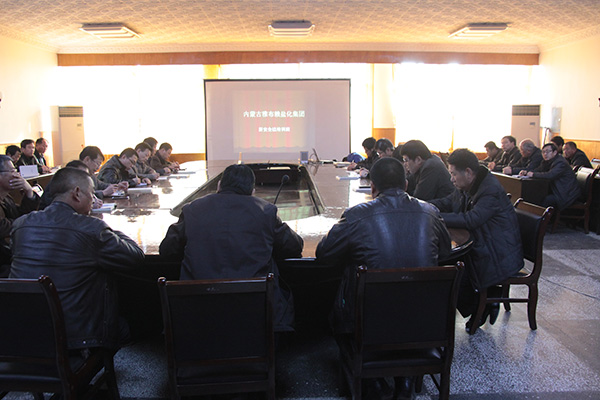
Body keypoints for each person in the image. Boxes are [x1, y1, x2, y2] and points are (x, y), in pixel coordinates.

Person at [316, 157, 451, 400]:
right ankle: (405, 380)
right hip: (425, 322)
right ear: (406, 185)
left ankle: (373, 383)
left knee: (338, 315)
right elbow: (445, 254)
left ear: (373, 187)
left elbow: (324, 254)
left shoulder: (357, 215)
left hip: (369, 322)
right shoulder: (431, 212)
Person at [10, 167, 145, 350]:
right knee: (137, 320)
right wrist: (110, 229)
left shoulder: (20, 225)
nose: (93, 200)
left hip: (20, 329)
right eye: (91, 194)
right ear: (77, 193)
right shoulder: (91, 229)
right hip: (77, 337)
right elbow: (135, 257)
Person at [159, 164, 303, 332]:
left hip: (196, 315)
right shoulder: (265, 211)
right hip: (255, 316)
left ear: (219, 185)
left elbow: (167, 250)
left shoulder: (192, 209)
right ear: (252, 191)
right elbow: (294, 246)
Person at [430, 149, 523, 332]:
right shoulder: (469, 184)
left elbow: (472, 220)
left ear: (468, 172)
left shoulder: (490, 190)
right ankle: (479, 303)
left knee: (452, 267)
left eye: (453, 174)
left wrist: (436, 217)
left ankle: (479, 305)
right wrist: (425, 206)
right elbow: (448, 202)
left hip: (498, 253)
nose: (451, 179)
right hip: (485, 241)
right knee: (446, 261)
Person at [0, 155, 40, 277]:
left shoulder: (7, 198)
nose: (17, 175)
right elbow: (4, 227)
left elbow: (21, 215)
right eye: (12, 171)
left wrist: (29, 192)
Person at [525, 143, 580, 210]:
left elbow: (550, 175)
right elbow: (539, 170)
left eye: (548, 151)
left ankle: (542, 216)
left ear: (555, 152)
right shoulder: (547, 162)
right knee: (534, 195)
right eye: (543, 152)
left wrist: (533, 174)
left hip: (565, 194)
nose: (545, 154)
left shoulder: (560, 162)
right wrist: (527, 172)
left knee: (545, 199)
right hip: (556, 191)